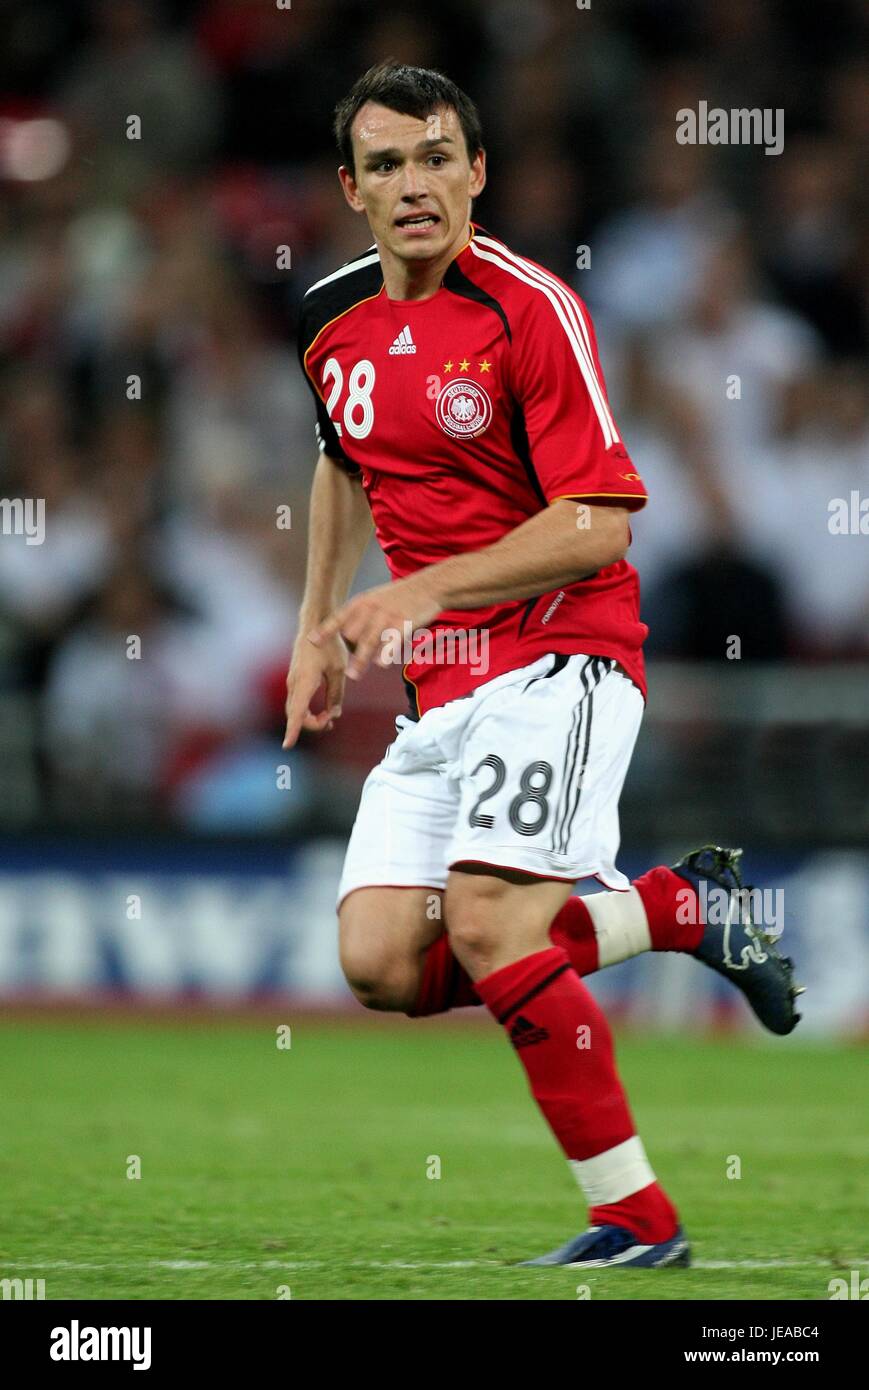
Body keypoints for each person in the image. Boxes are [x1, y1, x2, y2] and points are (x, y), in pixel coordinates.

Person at [284, 61, 802, 1269]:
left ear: (476, 171)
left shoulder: (529, 310)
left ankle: (636, 1218)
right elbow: (338, 462)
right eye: (384, 165)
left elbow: (599, 521)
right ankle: (673, 908)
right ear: (349, 190)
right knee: (376, 962)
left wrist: (413, 590)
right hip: (443, 684)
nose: (412, 185)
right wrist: (316, 627)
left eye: (434, 158)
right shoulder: (326, 320)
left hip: (560, 652)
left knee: (488, 926)